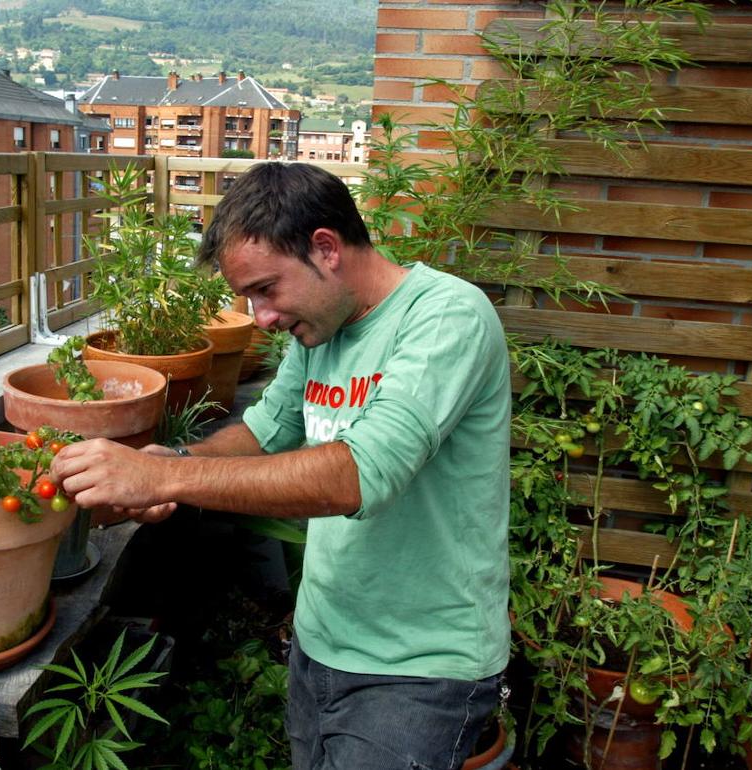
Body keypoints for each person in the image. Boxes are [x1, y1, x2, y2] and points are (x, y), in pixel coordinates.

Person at [50, 162, 511, 770]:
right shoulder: (318, 331)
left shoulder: (446, 317)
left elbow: (358, 474)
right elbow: (264, 436)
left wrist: (165, 478)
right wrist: (172, 459)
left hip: (420, 670)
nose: (260, 316)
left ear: (326, 248)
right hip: (321, 642)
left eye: (266, 289)